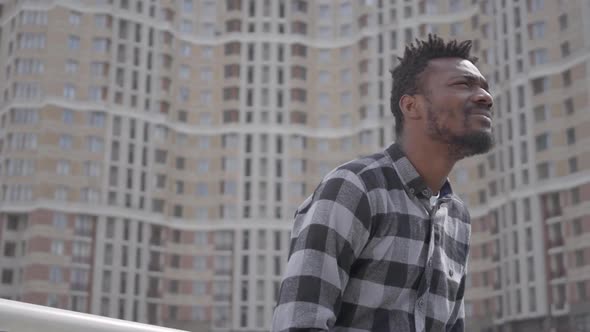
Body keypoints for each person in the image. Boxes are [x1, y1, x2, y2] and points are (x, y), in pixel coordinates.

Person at [271, 34, 494, 332]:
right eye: (463, 84)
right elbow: (299, 323)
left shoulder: (458, 217)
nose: (485, 97)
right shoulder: (354, 188)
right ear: (411, 106)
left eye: (484, 87)